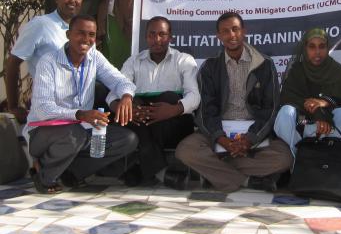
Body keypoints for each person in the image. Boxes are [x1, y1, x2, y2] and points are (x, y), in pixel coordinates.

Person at [176, 12, 292, 193]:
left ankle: (217, 169)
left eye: (235, 29)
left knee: (285, 158)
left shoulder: (264, 64)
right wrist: (222, 139)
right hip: (220, 129)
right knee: (185, 150)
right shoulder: (210, 67)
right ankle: (248, 180)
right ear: (219, 36)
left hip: (254, 131)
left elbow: (271, 109)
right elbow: (206, 110)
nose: (231, 35)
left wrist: (249, 140)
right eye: (225, 31)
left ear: (243, 31)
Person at [26, 15, 138, 194]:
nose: (86, 39)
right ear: (69, 34)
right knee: (75, 134)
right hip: (43, 133)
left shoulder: (95, 58)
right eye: (81, 33)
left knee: (127, 139)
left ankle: (71, 172)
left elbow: (121, 81)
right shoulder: (49, 62)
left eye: (91, 34)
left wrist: (126, 96)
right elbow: (42, 109)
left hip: (81, 129)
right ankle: (44, 174)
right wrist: (80, 114)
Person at [274, 28, 341, 192]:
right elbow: (287, 97)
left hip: (333, 130)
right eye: (312, 47)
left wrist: (325, 103)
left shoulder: (337, 71)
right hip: (306, 129)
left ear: (328, 48)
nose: (317, 52)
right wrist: (317, 112)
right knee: (285, 113)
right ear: (305, 48)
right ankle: (298, 168)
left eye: (322, 46)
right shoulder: (297, 71)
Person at [107, 16, 199, 185]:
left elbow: (195, 97)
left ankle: (140, 168)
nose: (157, 39)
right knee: (134, 105)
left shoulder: (184, 60)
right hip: (140, 119)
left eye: (162, 34)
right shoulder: (133, 61)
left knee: (169, 97)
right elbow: (112, 95)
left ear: (171, 37)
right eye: (152, 34)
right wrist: (127, 108)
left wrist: (173, 109)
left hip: (174, 123)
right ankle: (161, 173)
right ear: (146, 37)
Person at [5, 0, 83, 124]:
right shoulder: (41, 25)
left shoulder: (83, 31)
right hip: (50, 110)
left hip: (80, 109)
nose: (72, 0)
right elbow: (12, 63)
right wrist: (13, 106)